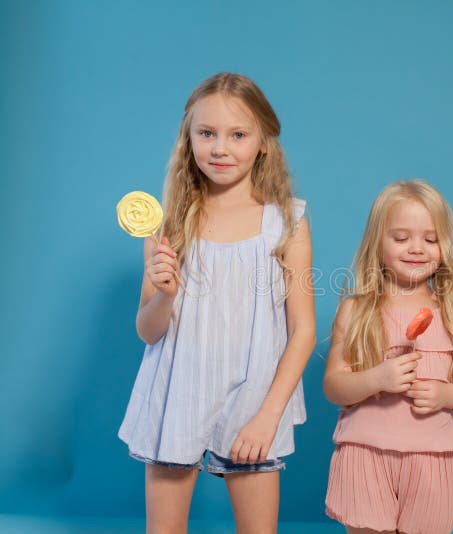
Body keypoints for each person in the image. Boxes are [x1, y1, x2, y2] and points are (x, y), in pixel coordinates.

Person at [118, 72, 315, 533]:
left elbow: (302, 330)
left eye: (238, 134)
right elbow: (148, 331)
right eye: (206, 133)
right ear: (189, 139)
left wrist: (268, 417)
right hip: (177, 393)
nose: (220, 148)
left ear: (264, 141)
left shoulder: (287, 223)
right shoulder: (168, 224)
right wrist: (164, 293)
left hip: (255, 399)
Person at [323, 180, 453, 534]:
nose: (417, 248)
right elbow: (333, 386)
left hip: (432, 456)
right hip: (365, 451)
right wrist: (376, 379)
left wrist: (445, 394)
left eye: (431, 239)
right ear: (377, 243)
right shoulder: (356, 309)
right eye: (401, 238)